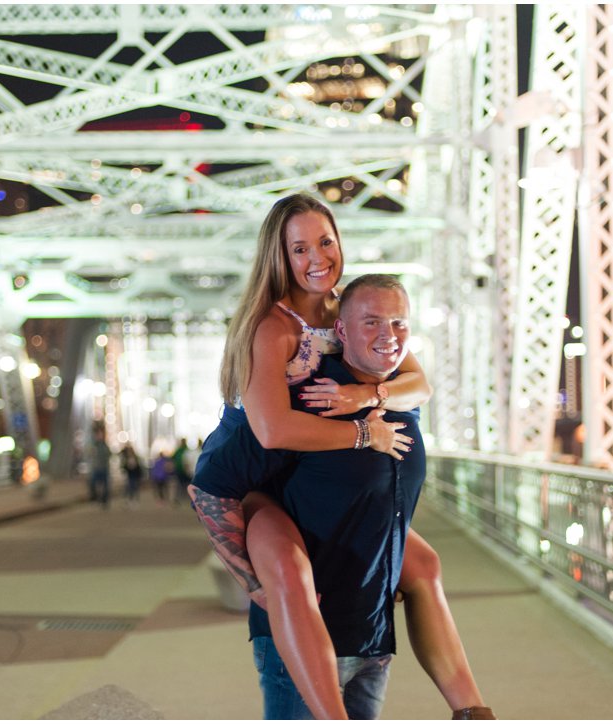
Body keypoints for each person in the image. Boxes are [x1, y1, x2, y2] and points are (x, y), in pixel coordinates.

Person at [188, 194, 492, 720]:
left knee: (422, 564)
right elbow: (272, 429)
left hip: (287, 476)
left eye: (325, 241)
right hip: (241, 484)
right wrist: (362, 436)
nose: (316, 257)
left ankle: (471, 710)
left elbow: (417, 382)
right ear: (278, 257)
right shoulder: (273, 327)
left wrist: (366, 397)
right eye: (299, 247)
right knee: (286, 571)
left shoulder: (347, 310)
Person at [87, 426, 111, 509]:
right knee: (92, 482)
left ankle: (104, 501)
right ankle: (95, 497)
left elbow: (108, 454)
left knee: (105, 485)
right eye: (97, 434)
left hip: (104, 467)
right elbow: (89, 454)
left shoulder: (105, 445)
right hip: (96, 468)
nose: (99, 436)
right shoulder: (94, 445)